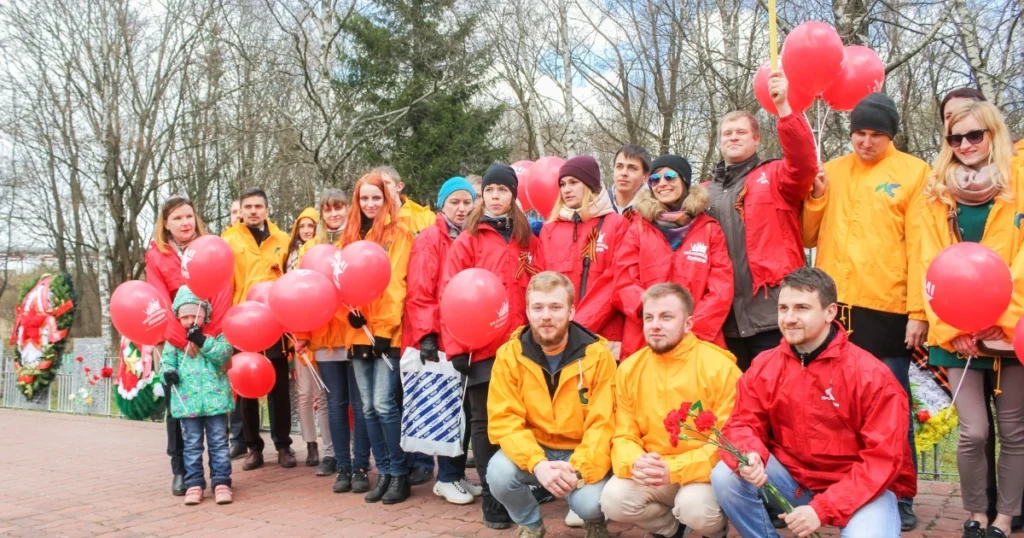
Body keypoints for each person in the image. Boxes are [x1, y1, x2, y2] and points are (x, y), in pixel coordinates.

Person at [802, 92, 930, 530]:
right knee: (832, 405)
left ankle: (901, 492)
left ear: (890, 135)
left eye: (876, 134)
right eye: (859, 132)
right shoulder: (832, 170)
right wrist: (816, 197)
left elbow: (922, 245)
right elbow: (806, 231)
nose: (866, 141)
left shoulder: (915, 173)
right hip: (834, 308)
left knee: (891, 406)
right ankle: (840, 485)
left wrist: (919, 310)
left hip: (887, 307)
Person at [710, 267, 915, 537]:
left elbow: (883, 459)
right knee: (726, 475)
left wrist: (823, 509)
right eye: (783, 308)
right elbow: (743, 422)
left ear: (830, 312)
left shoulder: (870, 374)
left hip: (861, 491)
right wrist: (749, 453)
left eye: (802, 308)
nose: (789, 318)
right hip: (793, 482)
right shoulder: (765, 366)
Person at [920, 101, 1024, 538]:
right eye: (955, 138)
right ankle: (976, 511)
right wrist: (954, 328)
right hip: (955, 331)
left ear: (993, 134)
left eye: (974, 135)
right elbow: (927, 260)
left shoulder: (1018, 181)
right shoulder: (936, 189)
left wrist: (1002, 318)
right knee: (973, 432)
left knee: (1015, 431)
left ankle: (1005, 516)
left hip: (1008, 329)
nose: (965, 145)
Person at [442, 162, 545, 529]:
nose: (496, 197)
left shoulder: (528, 240)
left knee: (521, 422)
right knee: (484, 425)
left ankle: (517, 488)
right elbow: (450, 293)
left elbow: (540, 290)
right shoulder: (468, 239)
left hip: (521, 347)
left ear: (513, 195)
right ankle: (492, 500)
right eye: (490, 191)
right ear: (482, 195)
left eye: (503, 190)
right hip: (481, 348)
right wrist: (455, 348)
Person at [599, 283, 739, 538]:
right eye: (649, 317)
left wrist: (675, 468)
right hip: (654, 470)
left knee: (695, 508)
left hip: (701, 475)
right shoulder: (630, 369)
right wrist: (634, 461)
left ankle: (716, 531)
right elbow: (623, 434)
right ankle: (670, 529)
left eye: (666, 317)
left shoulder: (721, 368)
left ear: (688, 324)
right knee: (613, 500)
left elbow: (727, 443)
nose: (655, 325)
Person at [487, 272, 615, 538]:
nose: (546, 316)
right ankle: (531, 524)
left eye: (556, 307)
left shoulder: (599, 356)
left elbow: (604, 424)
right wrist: (538, 463)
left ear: (571, 311)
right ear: (528, 311)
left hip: (580, 451)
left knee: (590, 503)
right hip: (536, 449)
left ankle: (594, 519)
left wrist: (578, 469)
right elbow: (504, 420)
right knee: (498, 474)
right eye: (538, 307)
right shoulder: (509, 356)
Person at [705, 70, 817, 372]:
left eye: (741, 132)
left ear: (756, 138)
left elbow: (804, 164)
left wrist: (784, 109)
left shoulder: (777, 175)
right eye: (727, 134)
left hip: (774, 313)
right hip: (724, 320)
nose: (733, 137)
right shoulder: (703, 192)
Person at [402, 176, 483, 504]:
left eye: (467, 202)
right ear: (442, 205)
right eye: (455, 202)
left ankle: (458, 473)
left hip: (464, 335)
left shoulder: (472, 236)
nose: (462, 208)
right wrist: (427, 336)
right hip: (440, 338)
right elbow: (420, 291)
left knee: (462, 406)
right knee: (447, 407)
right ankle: (446, 476)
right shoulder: (429, 239)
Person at [144, 195, 232, 496]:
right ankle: (181, 470)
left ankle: (221, 476)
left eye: (189, 216)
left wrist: (204, 337)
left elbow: (221, 294)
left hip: (207, 340)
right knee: (178, 407)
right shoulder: (157, 255)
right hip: (174, 340)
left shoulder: (210, 247)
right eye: (178, 218)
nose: (185, 222)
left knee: (214, 412)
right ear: (166, 224)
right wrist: (182, 341)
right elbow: (159, 300)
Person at [293, 189, 374, 493]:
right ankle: (343, 466)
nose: (334, 214)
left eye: (339, 208)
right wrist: (301, 335)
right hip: (323, 338)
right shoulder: (310, 248)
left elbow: (366, 284)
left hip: (353, 336)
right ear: (321, 214)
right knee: (336, 404)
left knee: (360, 403)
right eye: (328, 210)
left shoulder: (356, 242)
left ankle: (361, 466)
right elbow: (301, 294)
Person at [613, 155, 733, 358]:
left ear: (684, 181)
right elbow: (623, 280)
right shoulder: (638, 228)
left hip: (696, 341)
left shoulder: (709, 229)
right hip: (646, 338)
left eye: (670, 177)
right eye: (655, 179)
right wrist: (654, 319)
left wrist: (688, 329)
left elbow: (721, 288)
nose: (662, 184)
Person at [342, 173, 414, 504]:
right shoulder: (350, 236)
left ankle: (399, 473)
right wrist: (349, 314)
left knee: (385, 404)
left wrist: (384, 329)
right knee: (368, 407)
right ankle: (382, 471)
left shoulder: (399, 233)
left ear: (387, 199)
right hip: (358, 332)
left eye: (376, 198)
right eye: (364, 198)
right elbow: (341, 282)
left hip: (386, 334)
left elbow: (396, 283)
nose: (370, 204)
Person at [223, 187, 295, 470]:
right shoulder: (228, 240)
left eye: (258, 206)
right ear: (240, 211)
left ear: (267, 210)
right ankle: (253, 447)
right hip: (242, 323)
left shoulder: (282, 239)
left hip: (275, 323)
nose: (253, 211)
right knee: (247, 386)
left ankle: (283, 445)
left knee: (279, 388)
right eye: (248, 207)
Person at [539, 155, 628, 360]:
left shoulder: (616, 225)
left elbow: (616, 281)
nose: (566, 189)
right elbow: (541, 285)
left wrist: (580, 325)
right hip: (558, 337)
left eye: (573, 182)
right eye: (562, 184)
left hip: (604, 336)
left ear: (589, 185)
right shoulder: (549, 230)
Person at [158, 286, 235, 506]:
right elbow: (165, 365)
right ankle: (194, 483)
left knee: (219, 443)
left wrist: (203, 341)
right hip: (187, 403)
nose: (190, 321)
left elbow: (223, 354)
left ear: (205, 315)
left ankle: (222, 482)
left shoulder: (216, 334)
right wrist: (168, 375)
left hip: (216, 401)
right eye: (185, 317)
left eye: (195, 316)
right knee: (192, 445)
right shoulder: (174, 341)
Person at [222, 197, 246, 458]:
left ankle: (279, 441)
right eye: (233, 212)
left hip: (259, 321)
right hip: (230, 322)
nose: (238, 215)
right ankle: (237, 437)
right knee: (236, 382)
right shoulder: (222, 244)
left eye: (241, 211)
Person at [375, 165, 435, 235]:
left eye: (385, 183)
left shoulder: (425, 218)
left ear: (399, 187)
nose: (380, 188)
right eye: (376, 185)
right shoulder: (368, 219)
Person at [609, 144, 651, 219]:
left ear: (645, 177)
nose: (624, 173)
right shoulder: (597, 208)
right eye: (619, 167)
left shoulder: (653, 213)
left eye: (632, 168)